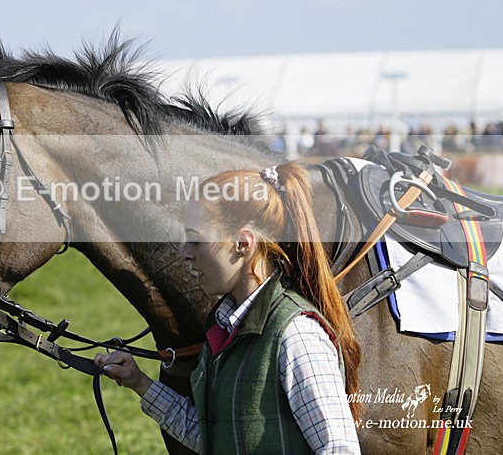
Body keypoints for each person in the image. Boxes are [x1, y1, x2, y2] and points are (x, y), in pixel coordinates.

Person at [95, 164, 361, 454]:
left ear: (243, 244)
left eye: (196, 240)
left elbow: (339, 449)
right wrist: (140, 383)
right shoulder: (225, 328)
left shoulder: (297, 335)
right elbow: (215, 438)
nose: (184, 252)